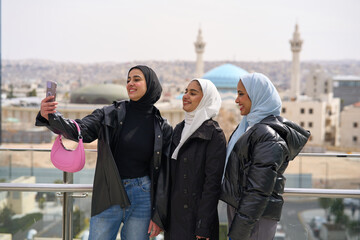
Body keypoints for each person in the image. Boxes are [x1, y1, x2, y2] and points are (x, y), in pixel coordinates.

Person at [36, 65, 173, 240]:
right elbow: (81, 130)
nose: (130, 83)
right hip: (109, 190)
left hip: (142, 195)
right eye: (128, 80)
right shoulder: (110, 114)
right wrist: (50, 116)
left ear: (151, 84)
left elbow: (164, 174)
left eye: (136, 79)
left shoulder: (162, 126)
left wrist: (159, 215)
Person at [220, 73, 310, 240]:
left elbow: (259, 190)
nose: (236, 100)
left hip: (255, 217)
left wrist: (239, 232)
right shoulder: (249, 127)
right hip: (244, 212)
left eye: (241, 94)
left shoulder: (267, 135)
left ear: (257, 95)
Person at [165, 79, 226, 240]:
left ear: (206, 99)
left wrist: (203, 226)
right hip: (175, 220)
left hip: (197, 223)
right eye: (186, 91)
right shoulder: (179, 129)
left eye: (193, 93)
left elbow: (212, 185)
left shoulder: (214, 134)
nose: (186, 96)